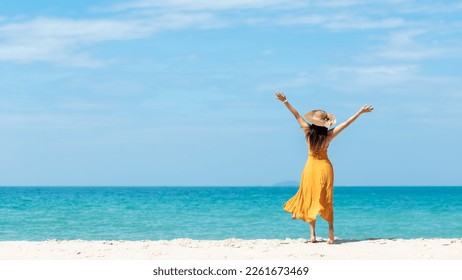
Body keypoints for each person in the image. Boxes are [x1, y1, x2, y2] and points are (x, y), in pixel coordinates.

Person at [275, 91, 373, 244]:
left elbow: (297, 115)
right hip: (325, 167)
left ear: (314, 122)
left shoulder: (307, 131)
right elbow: (346, 123)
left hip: (311, 167)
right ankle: (331, 233)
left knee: (310, 197)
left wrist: (285, 101)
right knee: (326, 197)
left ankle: (313, 235)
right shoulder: (329, 135)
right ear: (326, 123)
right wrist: (360, 112)